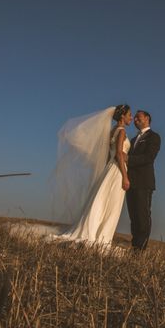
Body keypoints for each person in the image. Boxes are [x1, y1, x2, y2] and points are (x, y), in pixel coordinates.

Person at [51, 105, 132, 246]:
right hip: (118, 170)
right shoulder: (122, 132)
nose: (131, 117)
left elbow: (109, 155)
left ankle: (97, 232)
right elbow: (119, 154)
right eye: (129, 115)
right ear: (122, 116)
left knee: (103, 200)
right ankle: (102, 237)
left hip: (110, 169)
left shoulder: (112, 131)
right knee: (112, 204)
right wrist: (125, 177)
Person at [126, 110, 161, 250]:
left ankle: (140, 249)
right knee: (133, 216)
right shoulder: (133, 140)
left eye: (138, 117)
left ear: (147, 118)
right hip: (130, 183)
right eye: (134, 118)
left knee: (142, 216)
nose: (134, 119)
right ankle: (135, 246)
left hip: (144, 182)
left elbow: (149, 157)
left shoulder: (154, 137)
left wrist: (128, 158)